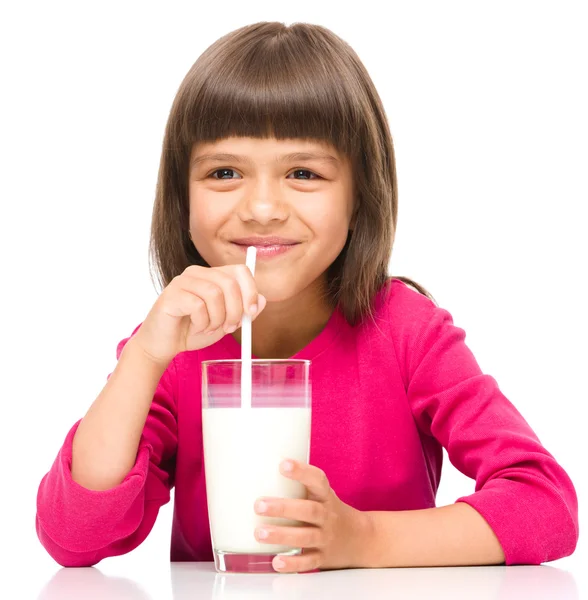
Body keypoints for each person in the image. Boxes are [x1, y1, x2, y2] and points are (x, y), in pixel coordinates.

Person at [35, 21, 578, 573]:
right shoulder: (172, 350)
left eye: (303, 172)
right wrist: (145, 358)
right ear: (181, 197)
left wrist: (364, 540)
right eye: (224, 172)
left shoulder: (406, 332)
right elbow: (75, 537)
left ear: (360, 194)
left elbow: (545, 506)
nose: (263, 208)